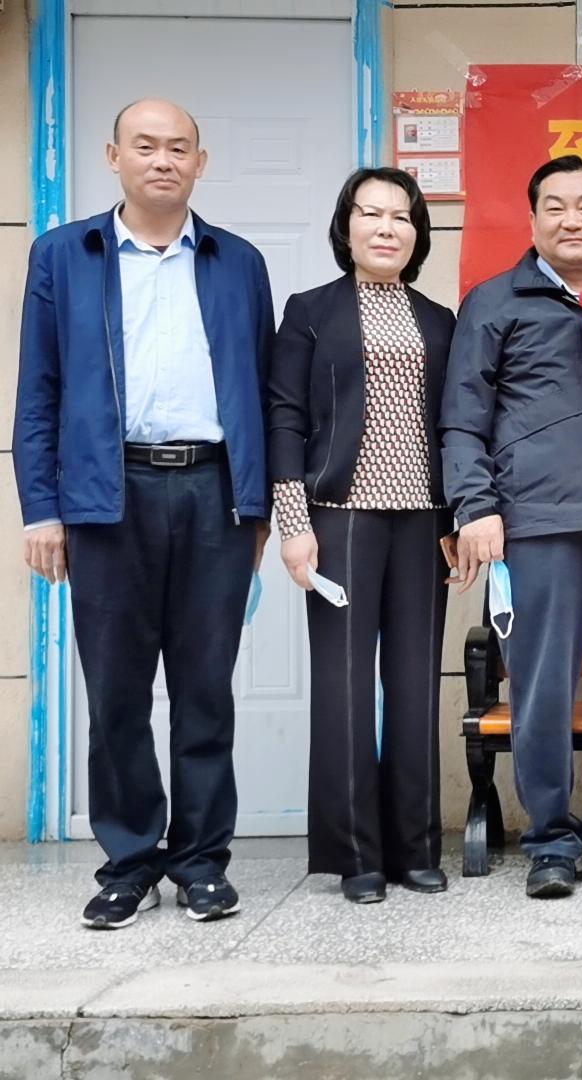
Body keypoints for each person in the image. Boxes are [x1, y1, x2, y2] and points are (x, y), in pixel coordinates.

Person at [14, 99, 273, 928]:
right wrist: (41, 508)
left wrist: (259, 505)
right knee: (117, 694)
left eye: (178, 148)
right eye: (146, 146)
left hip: (212, 493)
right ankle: (128, 863)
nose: (163, 160)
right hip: (105, 496)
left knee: (205, 691)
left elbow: (264, 391)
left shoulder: (239, 262)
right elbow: (38, 390)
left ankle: (200, 863)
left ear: (200, 162)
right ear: (113, 156)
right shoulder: (65, 255)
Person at [440, 156, 582, 900]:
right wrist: (474, 505)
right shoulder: (494, 301)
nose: (572, 220)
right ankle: (549, 839)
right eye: (556, 206)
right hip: (538, 525)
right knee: (542, 690)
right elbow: (462, 418)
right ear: (533, 218)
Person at [268, 167, 456, 904]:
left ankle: (415, 847)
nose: (386, 228)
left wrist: (457, 516)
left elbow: (454, 425)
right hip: (338, 518)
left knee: (414, 685)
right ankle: (356, 856)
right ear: (346, 227)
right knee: (343, 686)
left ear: (417, 233)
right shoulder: (310, 311)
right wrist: (293, 524)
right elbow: (285, 417)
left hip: (423, 523)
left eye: (401, 217)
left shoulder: (439, 319)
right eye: (370, 213)